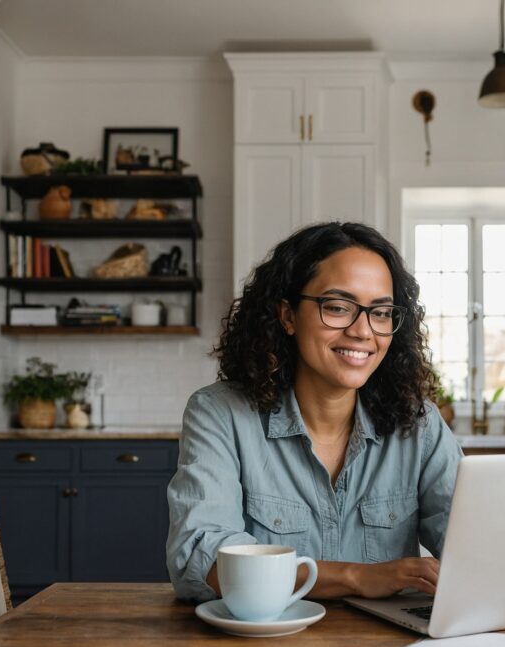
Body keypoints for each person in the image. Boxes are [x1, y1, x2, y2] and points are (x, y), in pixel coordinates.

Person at [166, 222, 461, 602]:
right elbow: (200, 560)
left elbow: (471, 545)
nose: (362, 331)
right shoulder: (220, 414)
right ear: (287, 316)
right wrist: (357, 577)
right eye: (338, 307)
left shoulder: (418, 423)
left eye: (381, 312)